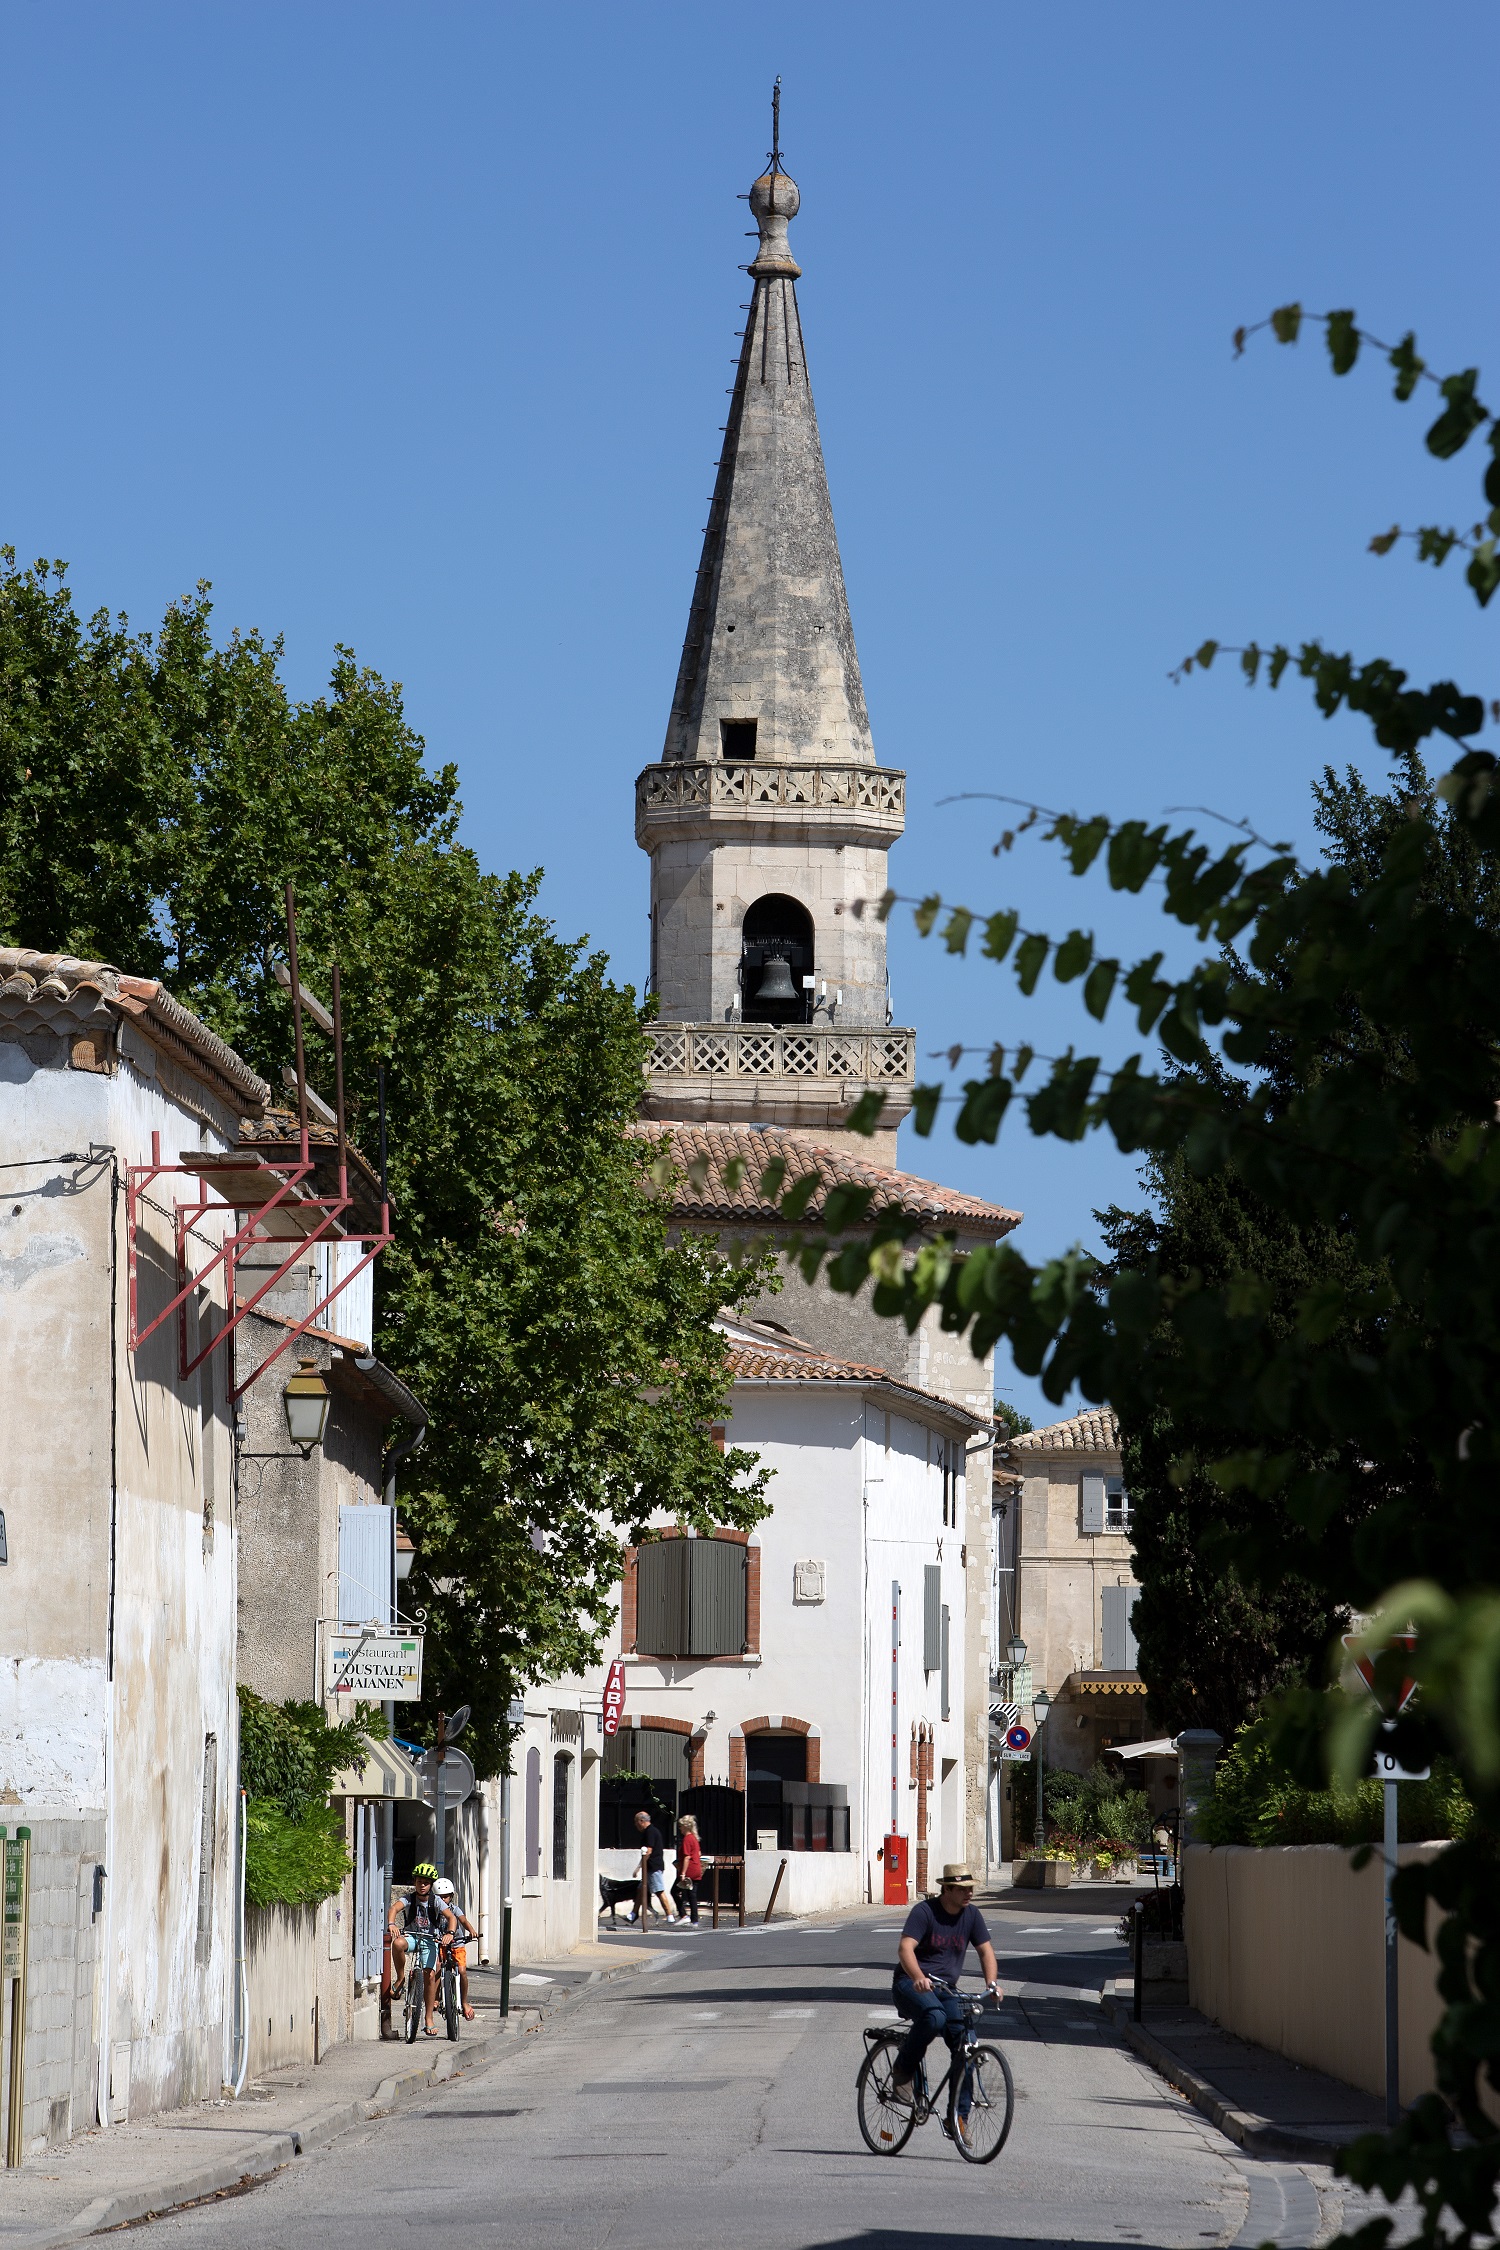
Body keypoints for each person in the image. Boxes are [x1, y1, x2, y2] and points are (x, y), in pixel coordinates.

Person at [889, 1864, 1001, 2105]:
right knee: (934, 2017)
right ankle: (903, 2069)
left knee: (965, 2045)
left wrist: (992, 1984)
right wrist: (918, 1976)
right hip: (910, 1984)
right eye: (962, 1889)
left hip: (945, 1989)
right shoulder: (925, 1912)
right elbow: (905, 1948)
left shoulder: (971, 1914)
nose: (969, 1893)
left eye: (970, 1888)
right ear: (947, 1889)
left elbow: (985, 1952)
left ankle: (959, 2119)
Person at [388, 1862, 457, 2036]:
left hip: (430, 1940)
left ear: (431, 1884)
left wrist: (449, 1933)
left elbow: (451, 1918)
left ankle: (428, 2019)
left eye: (426, 1882)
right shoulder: (409, 1898)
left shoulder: (437, 1901)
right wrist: (391, 1924)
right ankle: (401, 1978)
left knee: (431, 1975)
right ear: (415, 1882)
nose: (422, 1885)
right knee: (397, 1943)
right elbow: (394, 1908)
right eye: (419, 1882)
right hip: (412, 1937)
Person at [433, 1876, 477, 2019]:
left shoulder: (454, 1909)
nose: (443, 1900)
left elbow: (463, 1920)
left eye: (445, 1897)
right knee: (438, 1967)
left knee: (462, 1971)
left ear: (451, 1896)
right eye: (439, 1897)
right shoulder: (433, 1911)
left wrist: (471, 1931)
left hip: (456, 1942)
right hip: (440, 1943)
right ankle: (435, 1998)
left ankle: (464, 2002)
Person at [633, 1807, 677, 1922]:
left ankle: (670, 1915)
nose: (636, 1825)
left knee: (659, 1891)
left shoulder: (650, 1832)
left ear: (641, 1821)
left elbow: (648, 1851)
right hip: (650, 1867)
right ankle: (633, 1913)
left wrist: (638, 1868)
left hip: (653, 1866)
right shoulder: (650, 1831)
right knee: (640, 1890)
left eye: (636, 1822)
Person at [674, 1814, 704, 1926]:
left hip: (689, 1871)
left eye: (681, 1826)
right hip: (696, 1870)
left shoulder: (687, 1839)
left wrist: (682, 1873)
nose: (680, 1828)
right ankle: (694, 1920)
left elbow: (687, 1857)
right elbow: (698, 1853)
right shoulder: (694, 1838)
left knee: (674, 1891)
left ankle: (683, 1915)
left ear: (686, 1826)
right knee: (692, 1895)